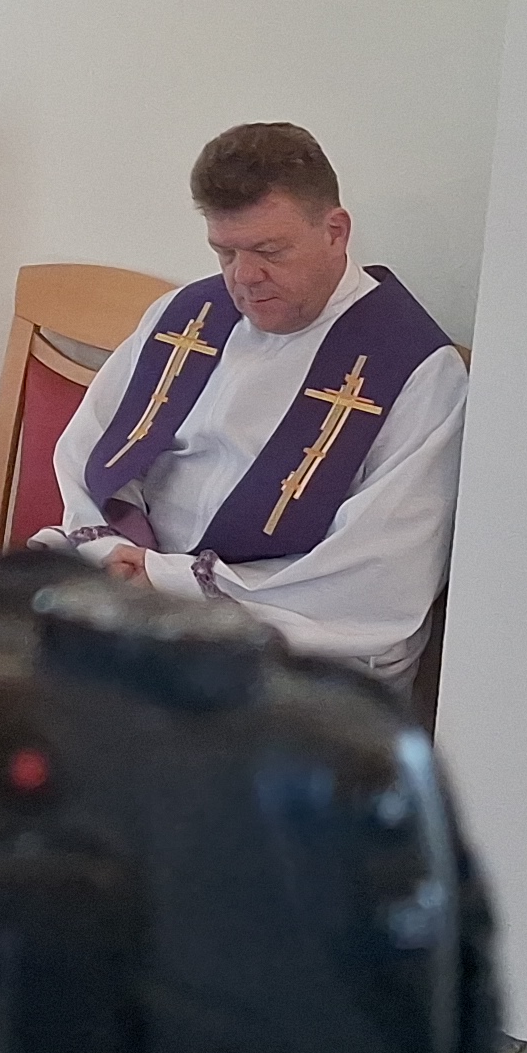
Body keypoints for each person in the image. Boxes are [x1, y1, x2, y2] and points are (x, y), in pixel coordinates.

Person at [34, 123, 465, 683]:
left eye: (269, 251)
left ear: (336, 231)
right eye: (225, 252)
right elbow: (92, 455)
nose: (244, 277)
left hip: (295, 646)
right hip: (138, 596)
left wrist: (169, 583)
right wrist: (115, 554)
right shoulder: (187, 316)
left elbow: (376, 576)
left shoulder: (416, 369)